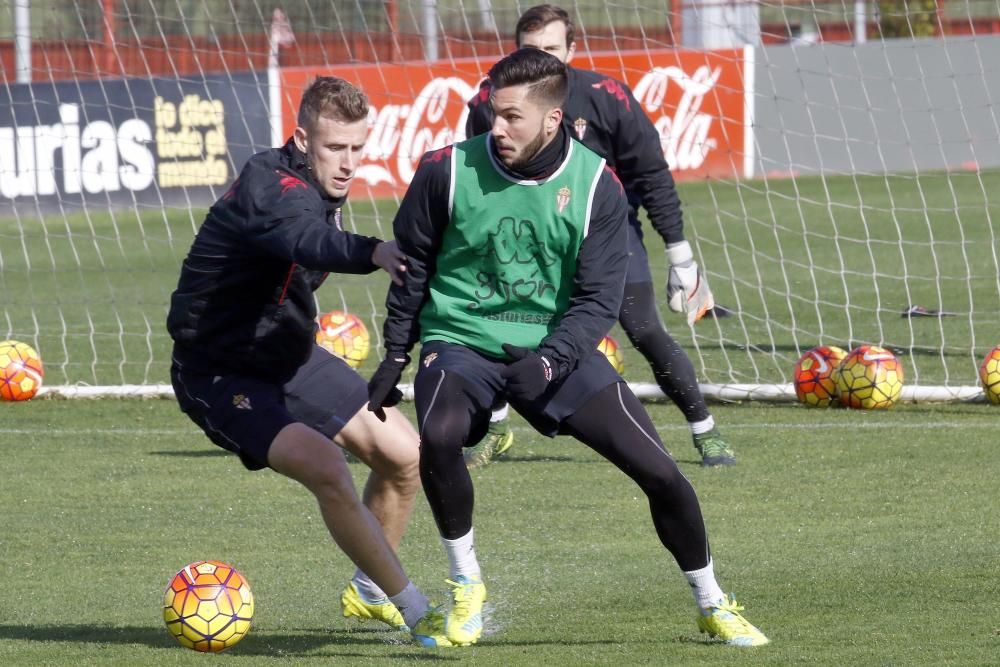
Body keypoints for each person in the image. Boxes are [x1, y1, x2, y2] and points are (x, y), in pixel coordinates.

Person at [368, 48, 768, 647]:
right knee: (443, 435)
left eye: (512, 118)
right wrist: (396, 354)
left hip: (557, 350)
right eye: (491, 113)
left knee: (662, 474)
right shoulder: (443, 170)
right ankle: (466, 586)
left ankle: (713, 601)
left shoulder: (595, 185)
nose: (495, 128)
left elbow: (599, 301)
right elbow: (413, 267)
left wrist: (550, 359)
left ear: (552, 121)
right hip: (461, 342)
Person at [166, 76, 449, 647]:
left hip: (290, 355)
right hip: (219, 372)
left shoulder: (322, 188)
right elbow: (306, 241)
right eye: (333, 148)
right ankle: (420, 614)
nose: (347, 164)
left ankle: (369, 592)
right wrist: (373, 251)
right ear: (301, 139)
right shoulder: (271, 188)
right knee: (326, 465)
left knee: (405, 455)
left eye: (356, 149)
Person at [462, 4, 734, 468]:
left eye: (551, 49)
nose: (543, 59)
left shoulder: (608, 96)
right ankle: (496, 428)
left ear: (572, 48)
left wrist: (680, 255)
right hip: (528, 239)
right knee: (500, 326)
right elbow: (482, 181)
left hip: (606, 234)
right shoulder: (490, 104)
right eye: (532, 51)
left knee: (644, 329)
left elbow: (651, 176)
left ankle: (704, 431)